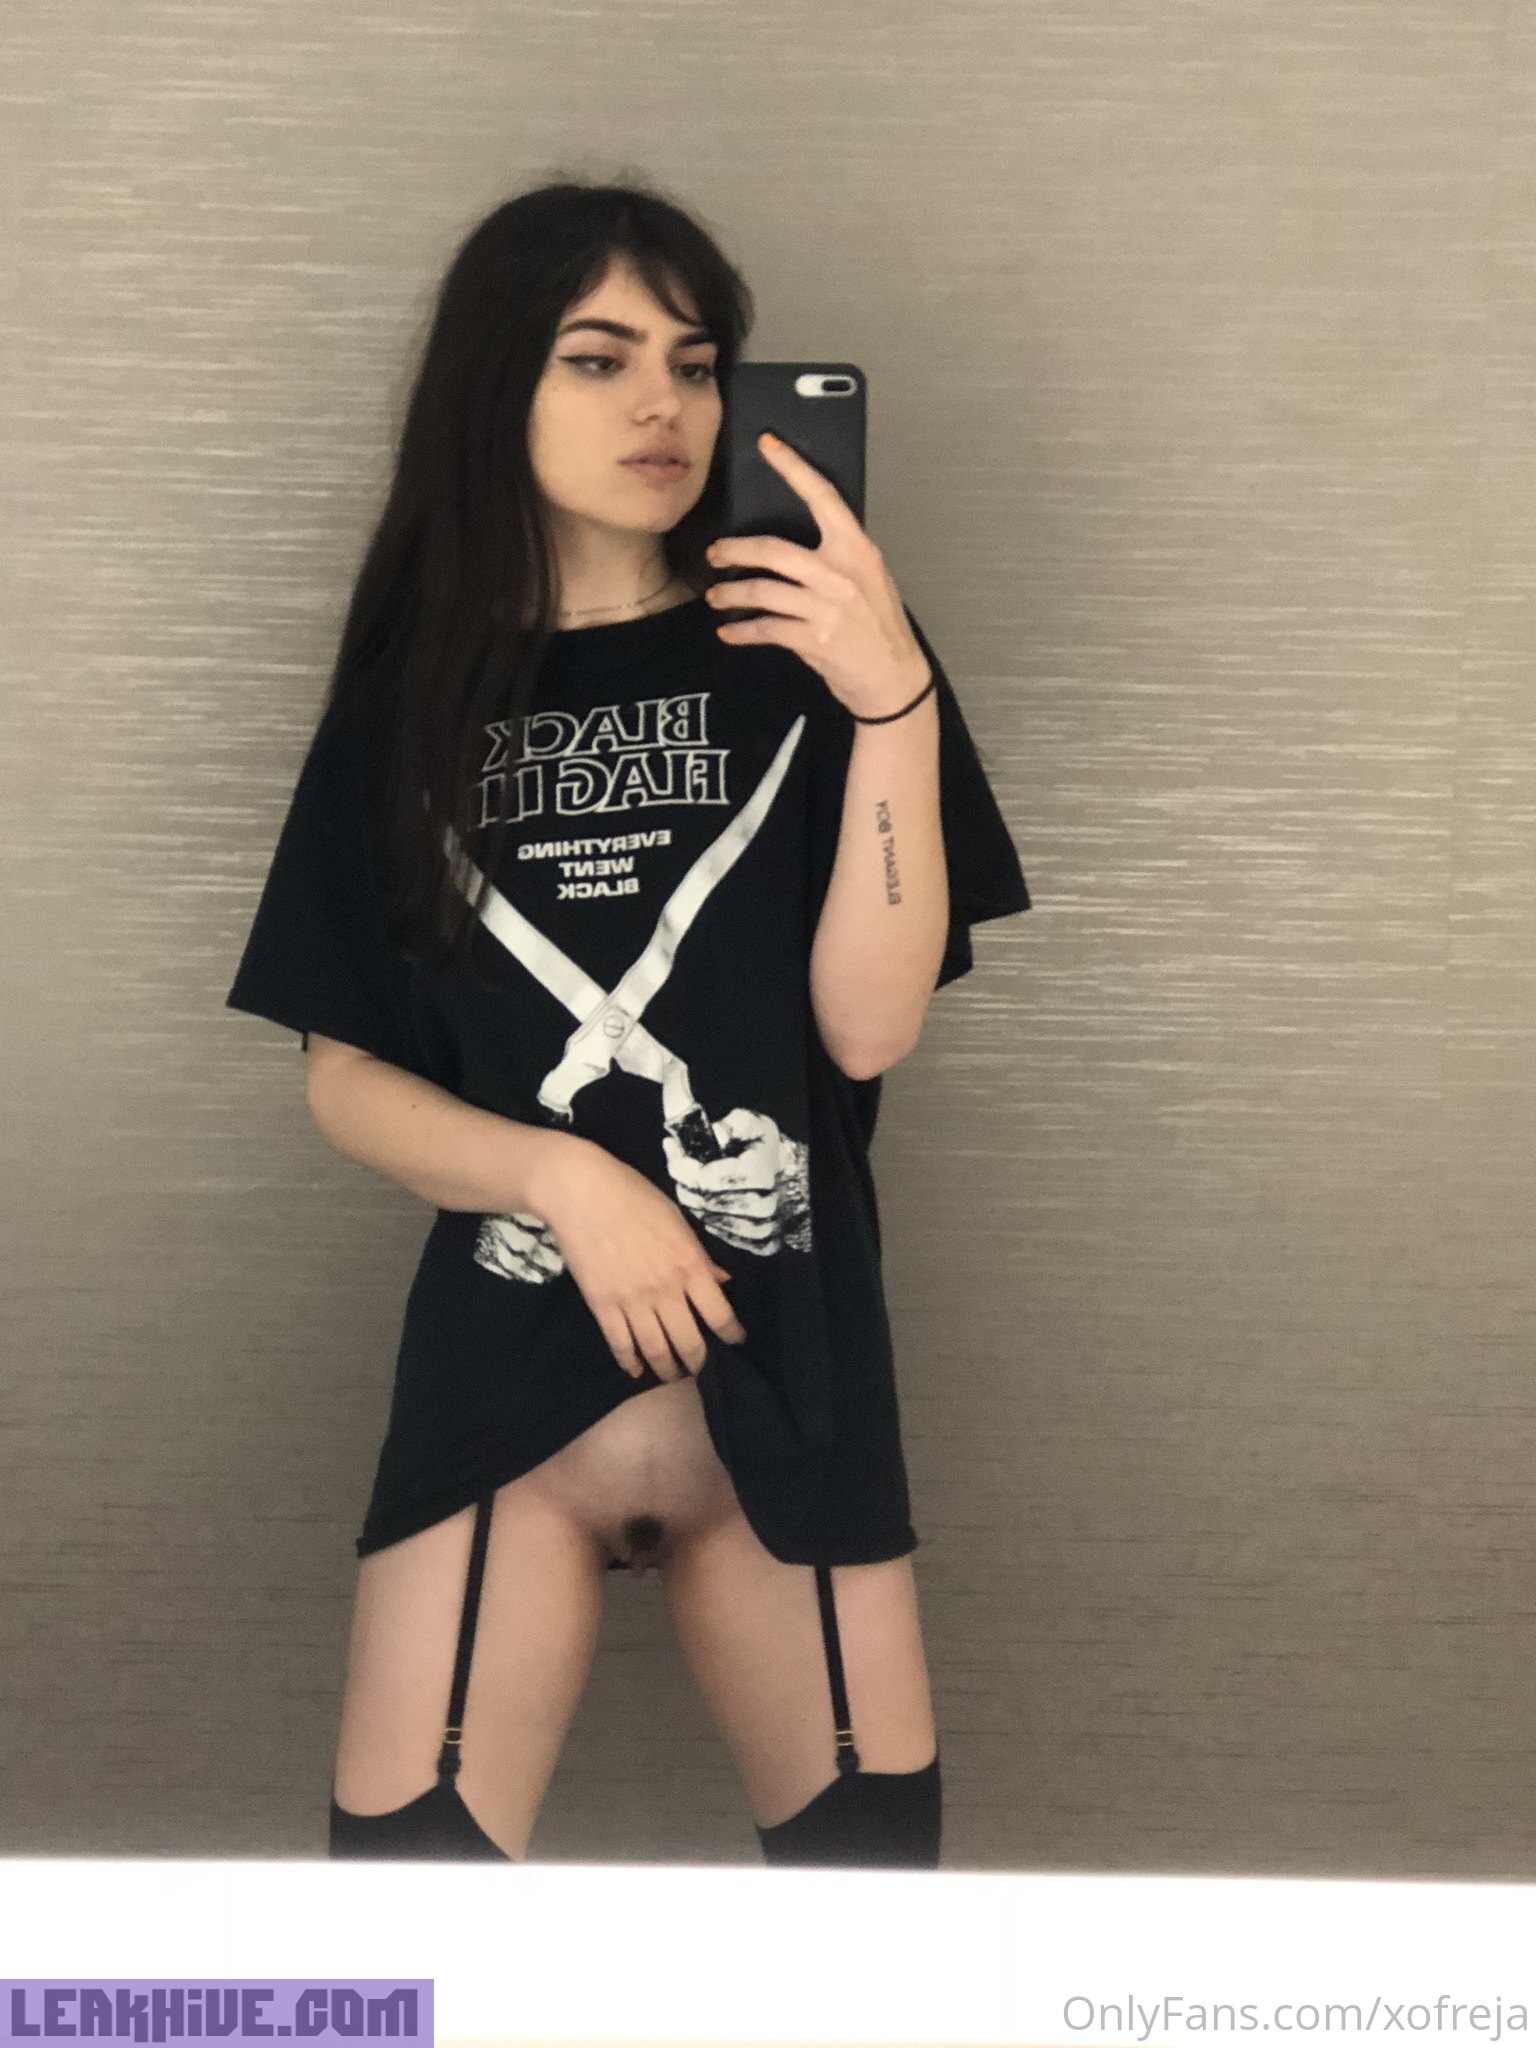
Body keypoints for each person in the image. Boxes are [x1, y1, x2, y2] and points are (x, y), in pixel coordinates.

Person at [225, 175, 1031, 1868]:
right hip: (505, 1397)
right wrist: (565, 1182)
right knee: (409, 1912)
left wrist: (890, 702)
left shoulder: (816, 658)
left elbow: (867, 1032)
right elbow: (346, 1079)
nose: (662, 403)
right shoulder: (406, 709)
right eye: (597, 359)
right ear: (495, 386)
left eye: (694, 360)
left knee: (872, 1910)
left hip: (789, 1372)